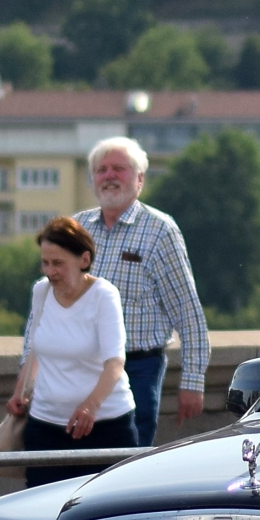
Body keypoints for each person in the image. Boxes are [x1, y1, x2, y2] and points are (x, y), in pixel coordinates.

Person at [56, 135, 210, 448]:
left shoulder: (160, 231)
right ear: (92, 179)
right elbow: (49, 307)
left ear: (139, 179)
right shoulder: (75, 229)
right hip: (78, 370)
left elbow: (187, 311)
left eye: (119, 169)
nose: (109, 176)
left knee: (125, 464)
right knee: (72, 468)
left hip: (136, 370)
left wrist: (193, 382)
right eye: (101, 170)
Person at [9, 216, 137, 486]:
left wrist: (90, 407)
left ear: (83, 260)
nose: (50, 271)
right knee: (43, 513)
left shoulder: (104, 295)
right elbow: (35, 349)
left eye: (58, 263)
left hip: (105, 425)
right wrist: (20, 391)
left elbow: (115, 363)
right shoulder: (40, 292)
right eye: (45, 262)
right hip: (45, 425)